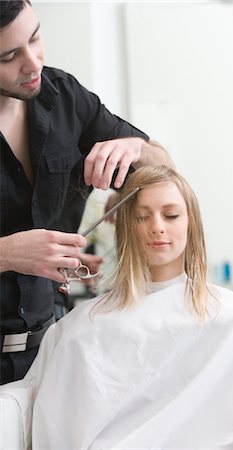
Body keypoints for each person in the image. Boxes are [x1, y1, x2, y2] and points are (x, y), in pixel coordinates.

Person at [0, 166, 233, 449]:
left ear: (192, 222)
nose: (157, 227)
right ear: (126, 226)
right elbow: (57, 428)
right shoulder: (83, 327)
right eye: (142, 216)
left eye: (171, 215)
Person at [0, 0, 174, 384]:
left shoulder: (64, 96)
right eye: (10, 56)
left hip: (51, 352)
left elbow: (165, 170)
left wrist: (135, 148)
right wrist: (9, 253)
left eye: (35, 38)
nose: (33, 64)